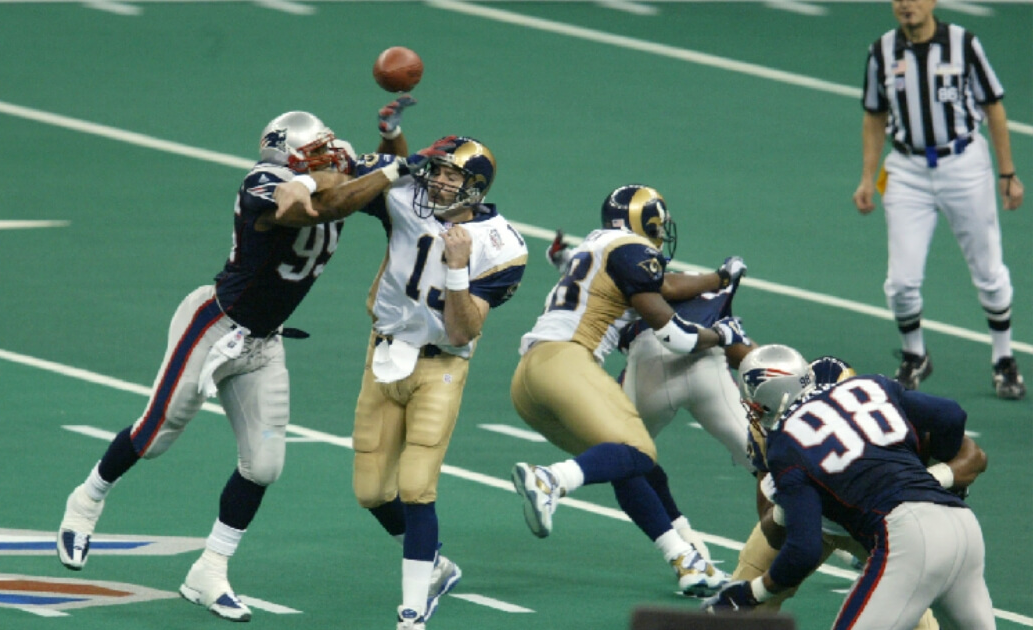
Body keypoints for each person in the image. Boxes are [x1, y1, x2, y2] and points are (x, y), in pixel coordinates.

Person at [54, 110, 427, 622]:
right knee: (157, 434)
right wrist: (380, 171)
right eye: (315, 152)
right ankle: (86, 500)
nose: (330, 155)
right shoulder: (263, 182)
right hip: (212, 326)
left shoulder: (334, 173)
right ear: (288, 156)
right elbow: (312, 208)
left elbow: (392, 182)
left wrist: (391, 144)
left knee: (266, 463)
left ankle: (209, 569)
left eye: (327, 148)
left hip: (264, 344)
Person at [509, 184, 751, 597]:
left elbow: (665, 287)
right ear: (649, 223)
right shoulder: (632, 251)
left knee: (627, 462)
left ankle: (685, 559)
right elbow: (676, 337)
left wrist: (717, 276)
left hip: (528, 381)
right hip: (567, 362)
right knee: (638, 450)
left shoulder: (601, 246)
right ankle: (551, 479)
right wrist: (720, 333)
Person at [343, 97, 528, 630]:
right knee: (371, 492)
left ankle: (411, 610)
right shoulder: (409, 200)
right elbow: (380, 179)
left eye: (451, 176)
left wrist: (455, 271)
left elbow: (464, 329)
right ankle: (436, 564)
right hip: (384, 351)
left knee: (417, 485)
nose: (439, 183)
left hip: (440, 365)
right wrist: (391, 136)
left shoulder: (502, 245)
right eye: (439, 172)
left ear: (476, 188)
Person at [704, 344, 995, 630]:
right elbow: (953, 414)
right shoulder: (874, 388)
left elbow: (801, 551)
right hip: (958, 524)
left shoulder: (786, 442)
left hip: (898, 533)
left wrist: (751, 592)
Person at [545, 231, 758, 562]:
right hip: (704, 364)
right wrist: (722, 285)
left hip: (646, 366)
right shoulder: (668, 277)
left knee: (626, 456)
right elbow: (675, 305)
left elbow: (612, 284)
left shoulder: (616, 266)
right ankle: (839, 536)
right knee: (771, 461)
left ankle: (685, 548)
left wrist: (566, 260)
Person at [851, 0, 1025, 400]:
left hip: (964, 162)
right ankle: (915, 355)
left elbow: (993, 107)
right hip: (904, 168)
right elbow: (873, 115)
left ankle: (1003, 360)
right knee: (900, 282)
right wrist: (867, 177)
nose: (905, 5)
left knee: (988, 269)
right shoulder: (881, 51)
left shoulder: (964, 44)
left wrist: (1007, 172)